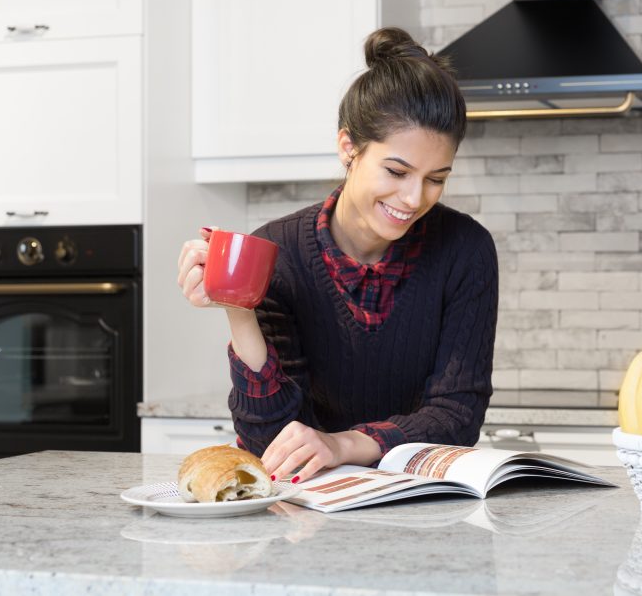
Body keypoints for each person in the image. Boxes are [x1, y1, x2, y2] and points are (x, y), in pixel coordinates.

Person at [177, 27, 498, 483]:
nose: (412, 198)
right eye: (396, 171)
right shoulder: (280, 252)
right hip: (309, 506)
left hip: (422, 502)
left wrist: (340, 444)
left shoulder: (465, 250)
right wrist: (239, 310)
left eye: (436, 178)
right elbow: (269, 441)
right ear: (349, 148)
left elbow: (458, 416)